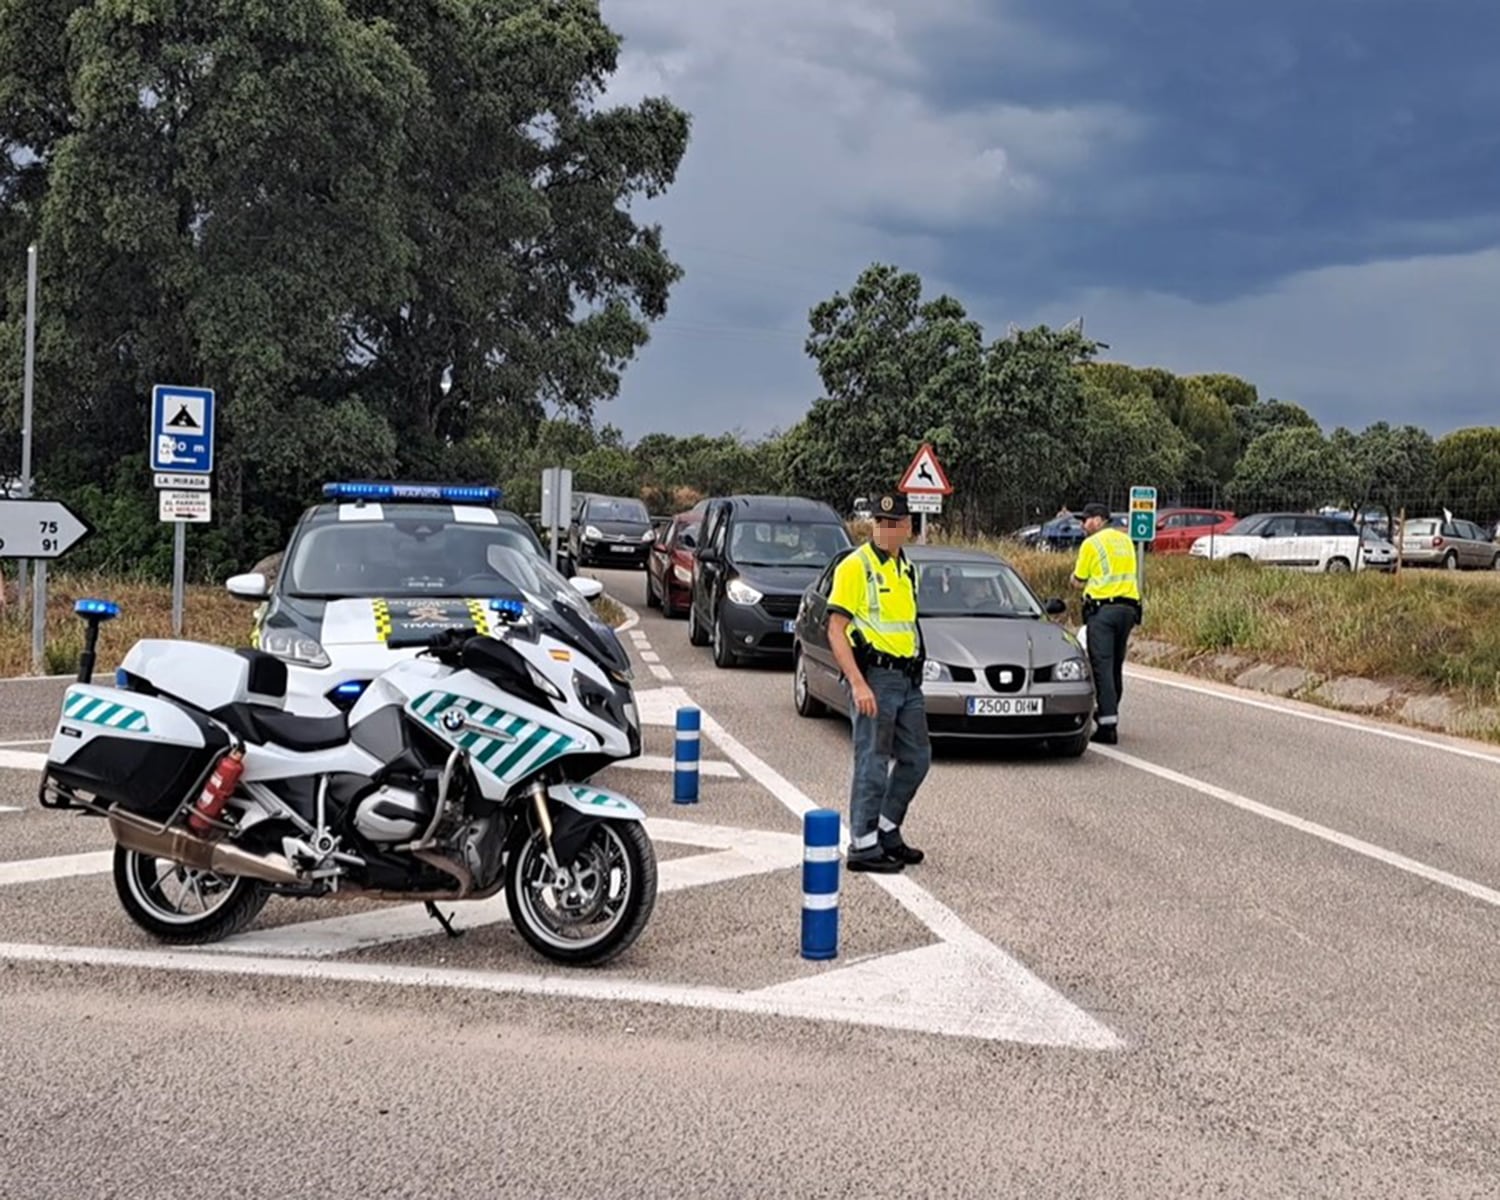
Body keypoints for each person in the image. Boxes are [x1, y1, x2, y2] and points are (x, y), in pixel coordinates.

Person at [825, 491, 930, 872]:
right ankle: (863, 844)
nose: (884, 530)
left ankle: (887, 827)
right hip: (875, 679)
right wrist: (857, 683)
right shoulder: (856, 567)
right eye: (879, 523)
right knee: (872, 761)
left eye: (892, 524)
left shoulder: (908, 569)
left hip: (907, 679)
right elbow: (836, 629)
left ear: (906, 527)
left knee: (918, 758)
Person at [1070, 502, 1141, 744]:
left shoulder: (1092, 544)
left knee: (1101, 666)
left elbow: (1079, 579)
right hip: (1128, 610)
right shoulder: (1126, 540)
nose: (1083, 524)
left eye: (1086, 519)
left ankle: (1107, 727)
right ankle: (1109, 712)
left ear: (1099, 520)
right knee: (1115, 665)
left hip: (1103, 611)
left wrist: (1074, 580)